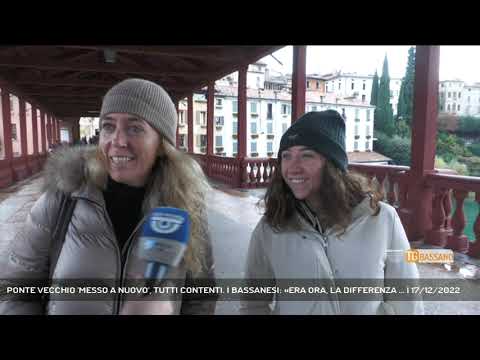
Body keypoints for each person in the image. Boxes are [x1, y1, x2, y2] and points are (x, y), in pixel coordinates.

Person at [0, 78, 217, 315]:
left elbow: (200, 300)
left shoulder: (185, 208)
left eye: (135, 128)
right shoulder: (62, 199)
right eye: (108, 126)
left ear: (162, 144)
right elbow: (15, 291)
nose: (118, 141)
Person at [240, 110, 423, 315]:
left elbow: (407, 298)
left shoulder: (382, 220)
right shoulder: (271, 228)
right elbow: (253, 303)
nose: (292, 168)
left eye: (307, 155)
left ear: (332, 164)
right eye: (286, 156)